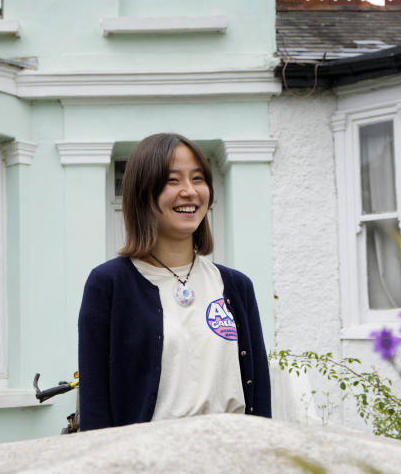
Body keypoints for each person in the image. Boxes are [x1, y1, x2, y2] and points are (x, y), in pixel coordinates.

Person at [78, 133, 271, 431]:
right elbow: (95, 404)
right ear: (144, 192)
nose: (189, 191)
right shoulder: (109, 285)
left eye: (198, 179)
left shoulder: (236, 286)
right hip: (149, 463)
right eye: (172, 181)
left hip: (232, 456)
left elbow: (260, 394)